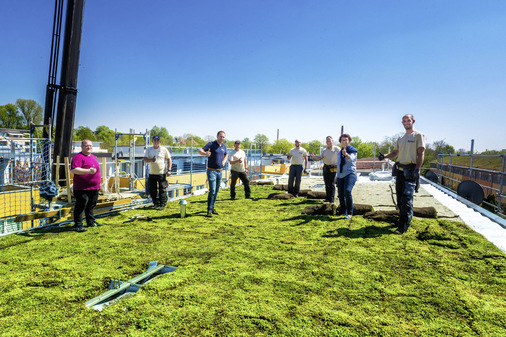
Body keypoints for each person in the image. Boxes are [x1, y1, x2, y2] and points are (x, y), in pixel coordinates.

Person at [378, 114, 425, 234]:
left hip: (410, 170)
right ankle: (406, 220)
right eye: (404, 121)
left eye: (408, 120)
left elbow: (421, 153)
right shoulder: (401, 137)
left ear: (413, 121)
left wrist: (417, 169)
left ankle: (402, 227)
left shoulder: (418, 135)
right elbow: (395, 153)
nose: (406, 122)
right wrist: (385, 156)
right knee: (399, 199)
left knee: (406, 199)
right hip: (399, 170)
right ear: (402, 123)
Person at [71, 139, 102, 232]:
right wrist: (89, 171)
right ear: (82, 146)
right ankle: (78, 225)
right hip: (82, 188)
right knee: (80, 206)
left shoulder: (93, 157)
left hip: (94, 187)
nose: (89, 147)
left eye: (90, 146)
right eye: (86, 145)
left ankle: (91, 222)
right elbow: (74, 170)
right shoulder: (78, 157)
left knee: (91, 206)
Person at [199, 131, 228, 217]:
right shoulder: (211, 144)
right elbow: (200, 150)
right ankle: (209, 210)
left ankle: (212, 207)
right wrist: (205, 154)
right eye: (220, 136)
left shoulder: (224, 146)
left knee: (216, 190)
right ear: (217, 136)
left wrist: (224, 161)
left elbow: (226, 155)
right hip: (211, 171)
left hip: (220, 171)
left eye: (223, 137)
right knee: (212, 190)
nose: (221, 138)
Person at [143, 135, 172, 210]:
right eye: (155, 140)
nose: (156, 142)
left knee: (162, 189)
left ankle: (162, 204)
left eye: (157, 140)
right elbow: (145, 159)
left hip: (161, 173)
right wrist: (150, 160)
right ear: (152, 141)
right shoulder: (149, 150)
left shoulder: (163, 149)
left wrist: (169, 170)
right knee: (152, 190)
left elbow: (169, 159)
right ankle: (156, 203)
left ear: (159, 141)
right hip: (152, 173)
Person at [310, 136, 340, 203]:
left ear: (333, 141)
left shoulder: (337, 149)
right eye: (327, 141)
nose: (328, 142)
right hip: (326, 167)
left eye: (329, 140)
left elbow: (341, 157)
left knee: (331, 183)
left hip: (333, 167)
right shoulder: (324, 150)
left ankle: (331, 200)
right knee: (326, 183)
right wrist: (314, 156)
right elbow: (320, 158)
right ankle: (327, 198)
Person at [335, 134, 358, 219]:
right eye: (343, 140)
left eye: (346, 140)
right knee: (340, 194)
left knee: (347, 191)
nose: (345, 141)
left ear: (349, 141)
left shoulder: (352, 150)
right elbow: (338, 164)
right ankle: (343, 211)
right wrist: (337, 176)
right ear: (340, 142)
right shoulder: (339, 152)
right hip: (341, 175)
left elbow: (351, 159)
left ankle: (349, 213)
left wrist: (346, 155)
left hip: (350, 174)